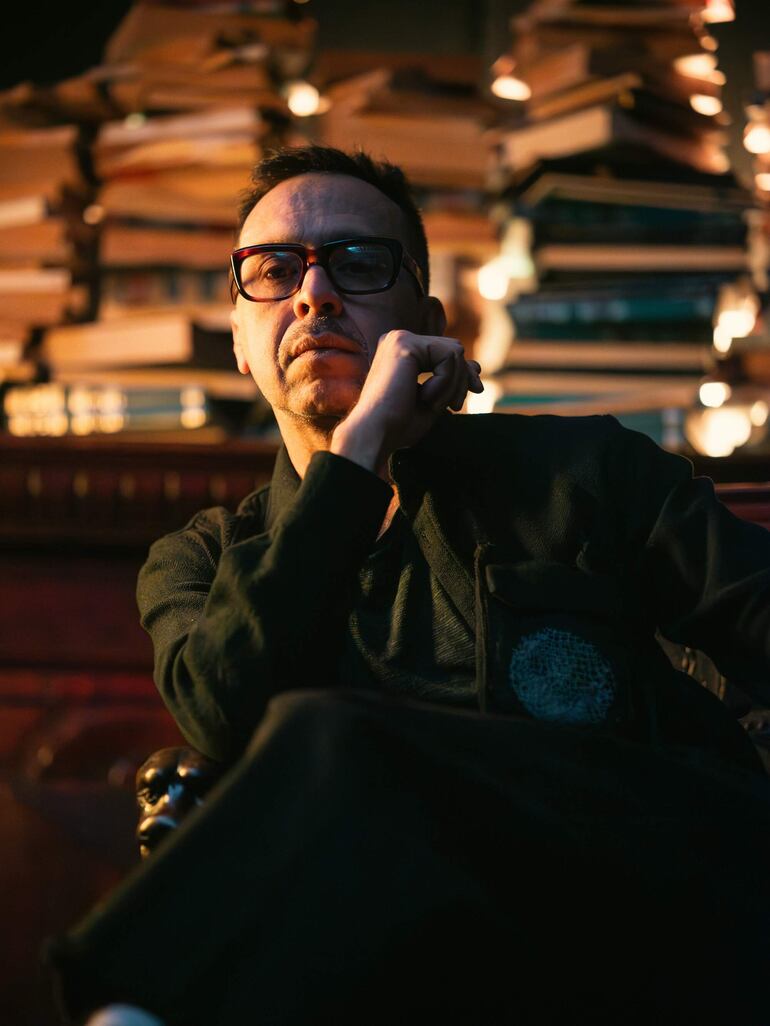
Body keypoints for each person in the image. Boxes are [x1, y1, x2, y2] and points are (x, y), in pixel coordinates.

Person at [46, 145, 770, 1026]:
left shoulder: (583, 471)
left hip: (642, 899)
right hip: (411, 954)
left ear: (425, 317)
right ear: (238, 340)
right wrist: (359, 453)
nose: (314, 294)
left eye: (358, 263)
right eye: (273, 271)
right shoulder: (199, 560)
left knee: (333, 739)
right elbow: (225, 714)